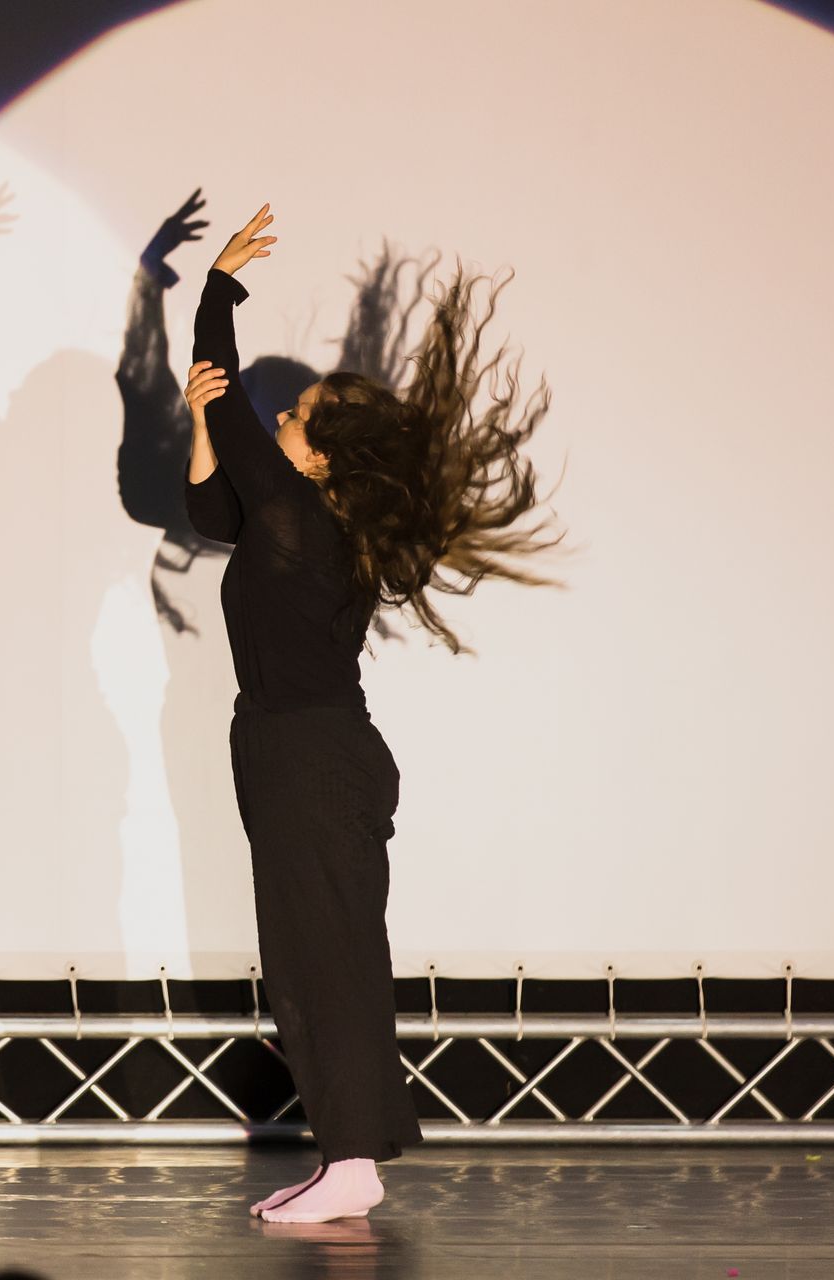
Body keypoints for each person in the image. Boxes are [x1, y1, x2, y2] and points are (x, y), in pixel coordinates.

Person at [183, 205, 554, 1223]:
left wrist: (216, 288)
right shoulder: (304, 520)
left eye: (297, 416)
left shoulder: (301, 517)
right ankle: (350, 1155)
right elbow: (209, 511)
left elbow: (227, 401)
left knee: (322, 959)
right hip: (304, 751)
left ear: (319, 459)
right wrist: (205, 419)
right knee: (321, 955)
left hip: (308, 754)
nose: (281, 418)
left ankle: (352, 1161)